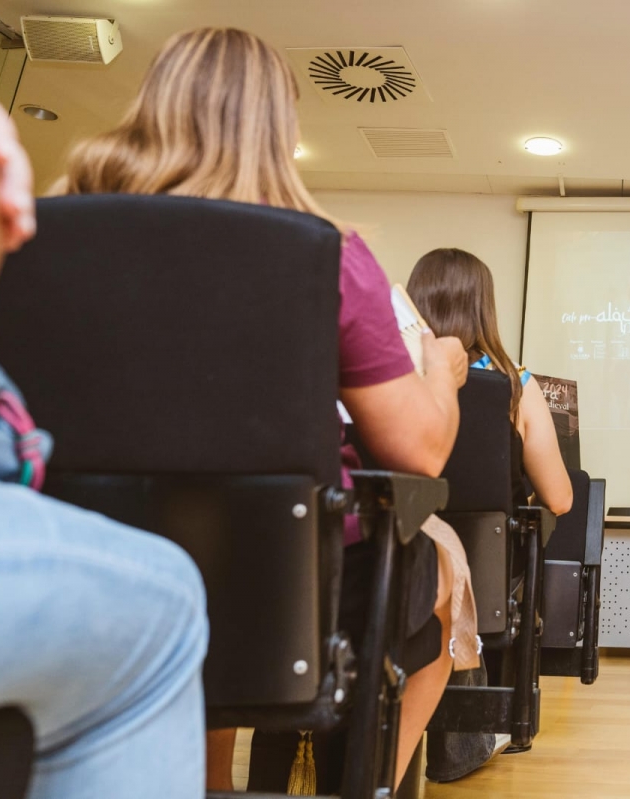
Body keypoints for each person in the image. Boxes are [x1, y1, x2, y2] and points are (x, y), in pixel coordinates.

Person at [53, 27, 478, 791]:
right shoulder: (324, 252)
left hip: (87, 573)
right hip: (284, 598)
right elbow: (418, 450)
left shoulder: (47, 229)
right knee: (444, 585)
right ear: (279, 128)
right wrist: (443, 371)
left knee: (196, 556)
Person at [0, 18, 210, 799]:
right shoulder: (328, 252)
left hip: (65, 501)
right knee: (162, 608)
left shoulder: (63, 219)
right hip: (271, 568)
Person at [407, 247, 572, 780]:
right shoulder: (514, 383)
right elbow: (561, 499)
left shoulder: (391, 377)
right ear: (484, 306)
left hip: (400, 556)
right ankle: (463, 745)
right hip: (485, 571)